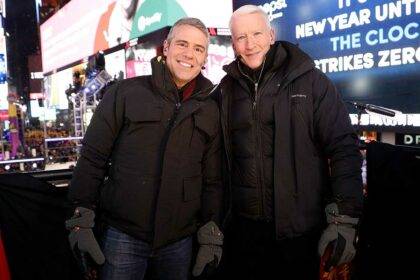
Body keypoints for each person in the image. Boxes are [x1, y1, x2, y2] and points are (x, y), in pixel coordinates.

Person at [66, 17, 224, 280]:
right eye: (182, 44)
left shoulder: (211, 107)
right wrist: (79, 219)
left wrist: (211, 233)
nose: (189, 54)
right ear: (166, 47)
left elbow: (213, 180)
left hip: (179, 242)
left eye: (198, 49)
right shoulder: (124, 93)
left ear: (205, 56)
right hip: (123, 237)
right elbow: (93, 159)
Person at [214, 5, 363, 280]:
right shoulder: (224, 90)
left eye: (256, 33)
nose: (249, 44)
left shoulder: (311, 81)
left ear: (271, 35)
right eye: (241, 37)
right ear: (233, 43)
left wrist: (344, 219)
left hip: (299, 232)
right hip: (243, 233)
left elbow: (343, 147)